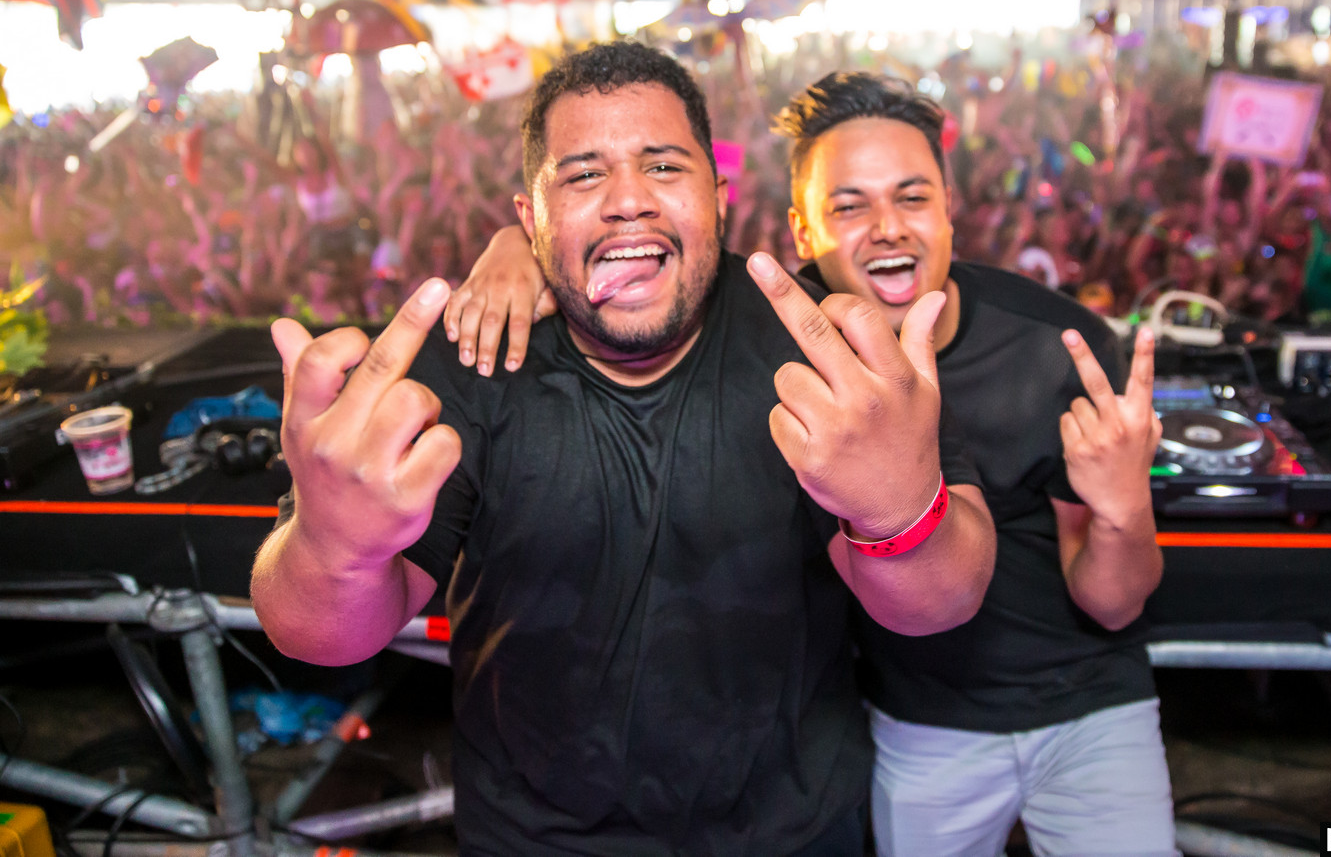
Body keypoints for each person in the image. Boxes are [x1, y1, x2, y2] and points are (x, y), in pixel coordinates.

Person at [252, 43, 996, 857]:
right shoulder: (469, 359)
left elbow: (940, 603)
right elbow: (318, 634)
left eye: (664, 166)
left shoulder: (822, 347)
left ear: (718, 197)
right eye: (583, 176)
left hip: (792, 831)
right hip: (538, 840)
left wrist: (898, 514)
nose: (629, 200)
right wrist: (335, 551)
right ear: (530, 219)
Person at [450, 71, 1173, 857]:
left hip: (1089, 705)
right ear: (802, 231)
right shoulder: (787, 340)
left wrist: (1124, 506)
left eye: (912, 198)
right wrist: (519, 251)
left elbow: (1113, 604)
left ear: (950, 209)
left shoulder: (1054, 343)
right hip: (916, 718)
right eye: (849, 206)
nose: (887, 228)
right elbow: (625, 258)